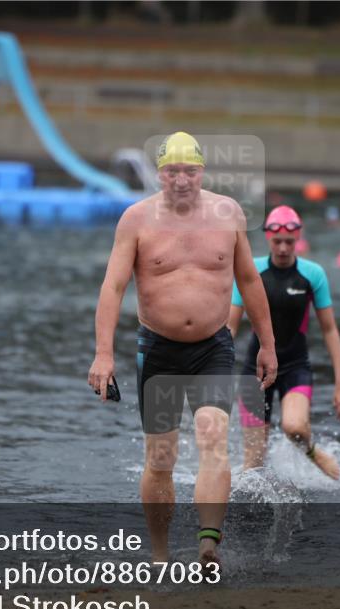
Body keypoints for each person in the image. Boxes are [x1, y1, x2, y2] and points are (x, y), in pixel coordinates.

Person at [88, 131, 277, 567]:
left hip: (213, 346)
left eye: (188, 171)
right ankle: (158, 554)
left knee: (213, 435)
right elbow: (113, 286)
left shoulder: (227, 213)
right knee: (160, 459)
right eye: (171, 171)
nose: (180, 180)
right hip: (158, 350)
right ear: (159, 174)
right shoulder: (136, 219)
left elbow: (249, 280)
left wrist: (266, 344)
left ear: (201, 172)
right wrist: (103, 354)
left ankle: (208, 544)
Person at [227, 205, 340, 481]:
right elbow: (230, 327)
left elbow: (330, 330)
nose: (283, 248)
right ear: (268, 239)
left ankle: (310, 451)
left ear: (297, 239)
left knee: (294, 427)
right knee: (253, 464)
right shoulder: (250, 272)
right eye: (277, 241)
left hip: (295, 365)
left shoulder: (313, 275)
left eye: (289, 242)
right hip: (254, 370)